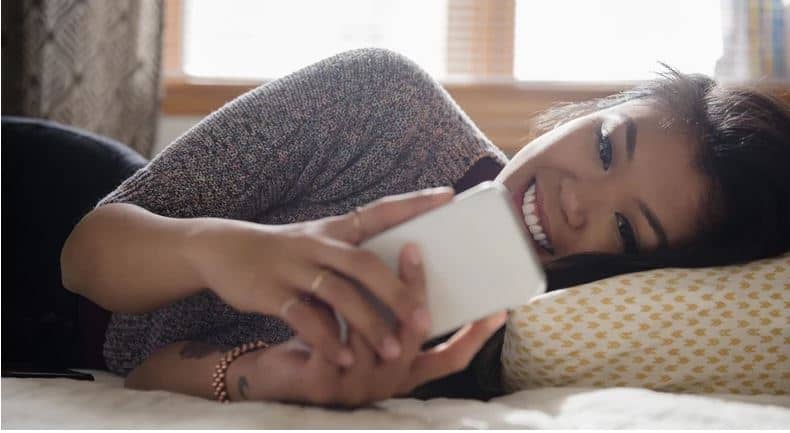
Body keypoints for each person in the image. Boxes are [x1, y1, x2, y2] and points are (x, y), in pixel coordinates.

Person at [60, 48, 790, 406]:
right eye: (605, 145)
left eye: (627, 231)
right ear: (589, 107)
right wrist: (226, 250)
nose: (577, 203)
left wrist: (277, 379)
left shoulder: (493, 352)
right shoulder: (382, 100)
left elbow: (142, 372)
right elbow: (84, 256)